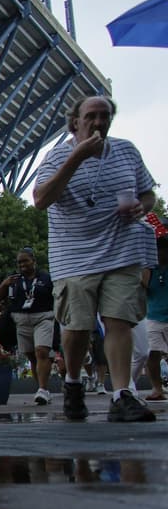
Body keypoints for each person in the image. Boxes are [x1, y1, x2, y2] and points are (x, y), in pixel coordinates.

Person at [33, 95, 157, 423]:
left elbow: (149, 192)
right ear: (76, 121)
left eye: (105, 116)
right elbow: (41, 199)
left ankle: (122, 394)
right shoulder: (57, 155)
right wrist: (76, 156)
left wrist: (143, 206)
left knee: (119, 321)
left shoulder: (126, 151)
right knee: (77, 327)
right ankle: (73, 384)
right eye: (91, 116)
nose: (98, 122)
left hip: (122, 251)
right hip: (74, 257)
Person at [0, 247, 55, 404]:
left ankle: (42, 388)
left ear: (33, 261)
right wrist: (4, 284)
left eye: (25, 261)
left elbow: (56, 295)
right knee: (32, 356)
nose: (22, 265)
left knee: (41, 351)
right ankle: (43, 389)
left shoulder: (46, 278)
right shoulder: (14, 279)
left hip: (43, 317)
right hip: (21, 320)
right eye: (19, 262)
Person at [145, 225, 168, 402]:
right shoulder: (149, 269)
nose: (161, 253)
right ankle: (157, 388)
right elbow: (142, 289)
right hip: (153, 316)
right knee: (152, 353)